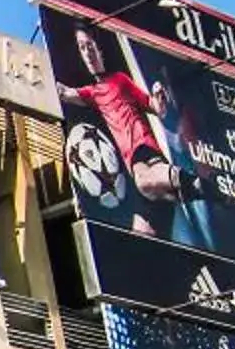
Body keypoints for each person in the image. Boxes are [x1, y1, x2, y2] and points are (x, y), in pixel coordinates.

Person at [59, 25, 187, 232]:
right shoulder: (92, 92)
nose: (87, 53)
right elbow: (66, 93)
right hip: (133, 175)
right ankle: (192, 190)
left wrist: (159, 97)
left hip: (144, 153)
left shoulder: (120, 81)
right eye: (82, 48)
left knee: (153, 184)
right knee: (142, 241)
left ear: (99, 48)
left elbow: (156, 108)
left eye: (89, 45)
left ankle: (213, 191)